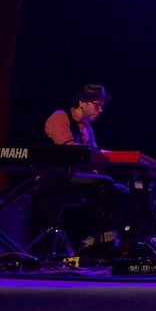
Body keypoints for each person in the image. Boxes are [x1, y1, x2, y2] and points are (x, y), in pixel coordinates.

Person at [42, 84, 128, 260]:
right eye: (97, 105)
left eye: (102, 107)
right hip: (52, 178)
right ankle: (105, 243)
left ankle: (92, 241)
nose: (101, 110)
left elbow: (94, 157)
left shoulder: (87, 128)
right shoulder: (61, 117)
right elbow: (67, 150)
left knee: (122, 191)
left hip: (75, 177)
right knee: (104, 183)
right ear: (82, 102)